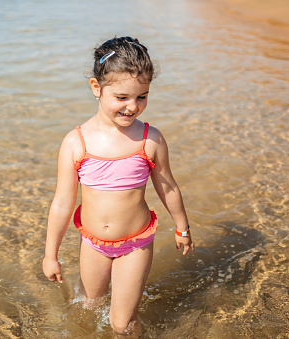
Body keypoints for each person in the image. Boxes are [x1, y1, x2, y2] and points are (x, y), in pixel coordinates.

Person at [42, 36, 194, 335]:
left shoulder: (150, 139)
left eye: (142, 97)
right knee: (89, 306)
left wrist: (182, 228)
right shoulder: (76, 142)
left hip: (135, 243)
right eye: (122, 97)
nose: (132, 107)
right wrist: (51, 254)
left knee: (121, 323)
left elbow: (168, 187)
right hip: (93, 244)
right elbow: (62, 202)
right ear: (96, 88)